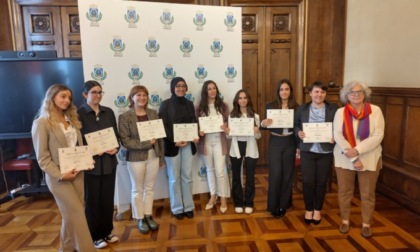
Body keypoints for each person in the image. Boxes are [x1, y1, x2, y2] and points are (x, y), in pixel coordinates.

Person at [31, 84, 96, 252]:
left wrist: (86, 161)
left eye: (69, 98)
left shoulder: (72, 119)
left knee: (72, 215)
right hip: (59, 178)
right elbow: (43, 158)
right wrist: (61, 174)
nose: (67, 101)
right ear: (52, 97)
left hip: (78, 174)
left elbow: (77, 147)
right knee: (76, 214)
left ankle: (66, 249)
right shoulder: (41, 123)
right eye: (63, 96)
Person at [333, 81, 384, 238]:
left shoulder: (375, 111)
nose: (356, 95)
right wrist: (354, 157)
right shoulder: (340, 112)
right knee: (344, 192)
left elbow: (378, 135)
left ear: (365, 94)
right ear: (346, 96)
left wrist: (357, 150)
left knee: (367, 194)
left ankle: (366, 224)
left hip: (369, 158)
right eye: (352, 92)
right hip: (344, 158)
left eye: (359, 92)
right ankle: (345, 220)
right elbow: (338, 135)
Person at [77, 80, 119, 249]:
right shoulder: (78, 114)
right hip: (90, 165)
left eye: (100, 92)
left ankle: (107, 231)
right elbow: (76, 142)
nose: (97, 95)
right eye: (94, 92)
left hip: (109, 162)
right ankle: (94, 236)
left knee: (107, 200)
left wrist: (115, 148)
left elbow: (115, 136)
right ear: (85, 95)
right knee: (92, 201)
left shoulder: (108, 112)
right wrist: (91, 151)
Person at [119, 85, 165, 234]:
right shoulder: (125, 116)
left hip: (153, 156)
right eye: (138, 95)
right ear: (131, 98)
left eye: (144, 95)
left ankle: (148, 215)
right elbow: (126, 141)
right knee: (137, 189)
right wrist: (146, 143)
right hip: (135, 158)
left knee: (150, 188)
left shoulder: (153, 113)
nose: (142, 98)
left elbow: (158, 138)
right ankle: (139, 218)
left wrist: (161, 156)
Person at [294, 81, 338, 225]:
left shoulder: (333, 108)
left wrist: (335, 137)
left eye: (322, 92)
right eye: (317, 92)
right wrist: (298, 132)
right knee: (307, 181)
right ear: (310, 93)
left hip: (326, 151)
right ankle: (308, 209)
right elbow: (295, 125)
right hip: (307, 150)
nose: (319, 95)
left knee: (321, 182)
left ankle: (317, 210)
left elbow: (339, 127)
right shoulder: (302, 108)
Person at [159, 77, 199, 220]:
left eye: (183, 85)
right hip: (172, 147)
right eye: (178, 86)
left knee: (187, 177)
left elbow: (193, 122)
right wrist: (174, 141)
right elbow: (163, 126)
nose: (181, 88)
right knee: (174, 179)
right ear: (172, 88)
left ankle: (188, 206)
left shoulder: (189, 104)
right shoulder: (165, 104)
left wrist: (195, 135)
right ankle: (177, 208)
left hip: (188, 145)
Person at [261, 79, 299, 218]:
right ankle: (273, 206)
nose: (284, 92)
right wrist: (264, 123)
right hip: (275, 142)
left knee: (287, 174)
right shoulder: (270, 106)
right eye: (282, 89)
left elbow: (298, 126)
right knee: (275, 174)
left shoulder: (296, 107)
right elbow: (263, 125)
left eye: (287, 89)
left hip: (290, 142)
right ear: (278, 91)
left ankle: (284, 205)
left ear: (290, 91)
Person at [196, 80, 230, 213]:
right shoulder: (199, 107)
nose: (212, 91)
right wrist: (199, 131)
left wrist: (226, 126)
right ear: (205, 91)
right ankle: (213, 195)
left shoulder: (223, 106)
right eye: (209, 89)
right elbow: (197, 125)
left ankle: (223, 198)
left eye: (214, 88)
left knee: (220, 171)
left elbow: (229, 122)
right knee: (210, 170)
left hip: (219, 141)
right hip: (206, 142)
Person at [227, 89, 261, 214]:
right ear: (237, 100)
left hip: (250, 148)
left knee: (250, 177)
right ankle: (238, 202)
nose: (242, 100)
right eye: (240, 98)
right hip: (236, 148)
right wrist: (227, 132)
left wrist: (257, 131)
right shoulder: (232, 116)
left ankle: (249, 202)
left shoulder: (255, 116)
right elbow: (229, 137)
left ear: (248, 100)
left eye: (245, 97)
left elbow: (258, 137)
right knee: (236, 177)